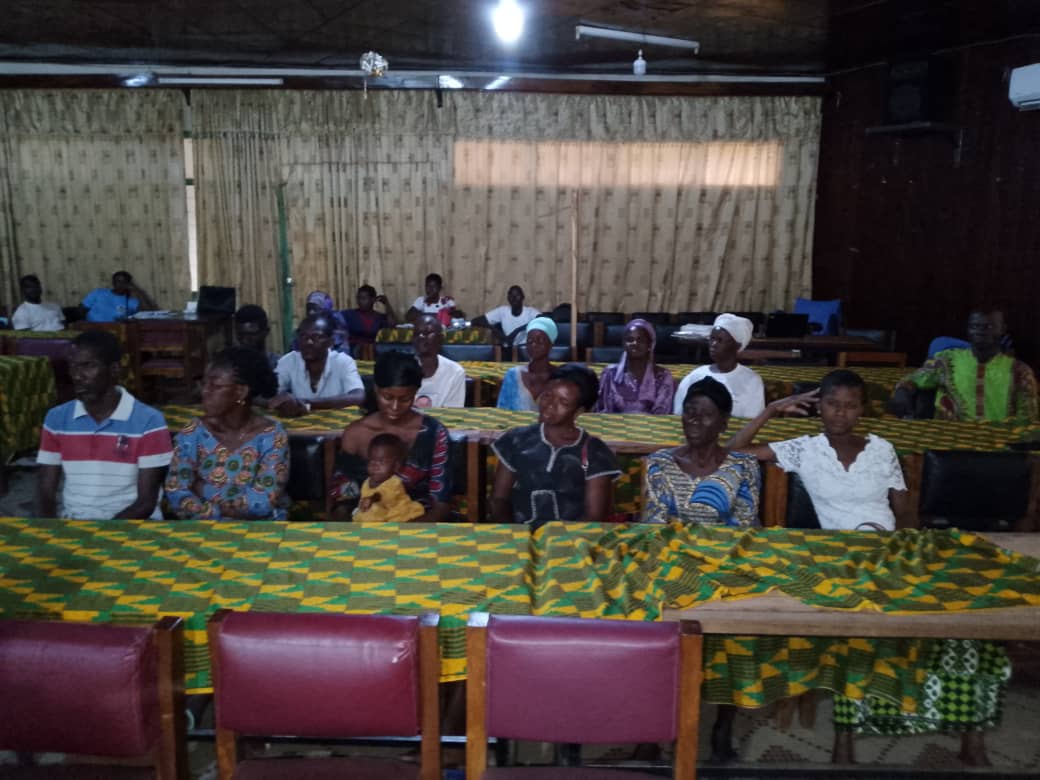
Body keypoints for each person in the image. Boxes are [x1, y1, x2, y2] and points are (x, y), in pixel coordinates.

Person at [730, 369, 1005, 766]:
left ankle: (971, 732)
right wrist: (771, 410)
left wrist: (914, 554)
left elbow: (903, 512)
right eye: (832, 404)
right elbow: (733, 454)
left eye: (850, 405)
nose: (840, 413)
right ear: (819, 407)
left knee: (966, 617)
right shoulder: (803, 449)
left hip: (891, 551)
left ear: (862, 409)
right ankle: (845, 737)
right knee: (857, 634)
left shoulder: (881, 448)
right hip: (840, 561)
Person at [36, 330, 173, 519]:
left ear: (114, 369)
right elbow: (45, 491)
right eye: (73, 367)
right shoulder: (57, 418)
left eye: (88, 366)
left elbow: (145, 503)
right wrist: (50, 528)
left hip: (133, 524)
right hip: (75, 521)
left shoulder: (149, 421)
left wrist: (101, 532)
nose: (77, 376)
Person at [164, 347, 289, 520]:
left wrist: (202, 489)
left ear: (240, 392)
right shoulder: (193, 432)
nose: (205, 391)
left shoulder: (271, 435)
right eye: (204, 384)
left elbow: (262, 503)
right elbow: (176, 492)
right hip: (202, 529)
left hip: (260, 530)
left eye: (215, 386)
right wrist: (219, 513)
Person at [491, 364, 621, 529]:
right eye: (547, 395)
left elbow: (594, 516)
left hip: (572, 537)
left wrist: (559, 540)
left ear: (579, 411)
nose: (551, 405)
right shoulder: (516, 439)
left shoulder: (594, 452)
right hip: (519, 534)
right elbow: (499, 499)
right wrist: (515, 534)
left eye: (563, 402)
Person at [330, 350, 454, 521]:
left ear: (416, 393)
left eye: (405, 399)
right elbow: (342, 496)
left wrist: (410, 532)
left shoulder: (433, 433)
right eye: (387, 397)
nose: (395, 407)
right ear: (376, 389)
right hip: (366, 524)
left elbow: (441, 502)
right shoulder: (356, 434)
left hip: (421, 522)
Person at [643, 378, 760, 526]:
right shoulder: (660, 462)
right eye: (689, 411)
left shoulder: (743, 466)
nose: (694, 420)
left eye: (706, 414)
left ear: (723, 424)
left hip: (726, 540)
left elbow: (743, 525)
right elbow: (654, 523)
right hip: (672, 540)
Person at [891, 309, 1037, 424]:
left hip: (1000, 444)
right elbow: (913, 379)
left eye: (989, 326)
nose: (980, 331)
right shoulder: (946, 360)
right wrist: (902, 391)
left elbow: (1028, 422)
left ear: (1003, 329)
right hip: (949, 440)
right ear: (968, 329)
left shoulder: (1020, 371)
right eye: (975, 326)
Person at [270, 315, 365, 416]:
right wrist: (282, 402)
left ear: (330, 342)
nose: (308, 342)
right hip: (297, 425)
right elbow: (265, 395)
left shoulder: (343, 362)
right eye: (303, 336)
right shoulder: (289, 361)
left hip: (337, 423)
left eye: (317, 337)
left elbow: (358, 397)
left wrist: (306, 403)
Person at [673, 313, 765, 418]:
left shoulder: (752, 380)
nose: (713, 344)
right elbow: (679, 414)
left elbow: (753, 419)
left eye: (720, 340)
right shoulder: (696, 375)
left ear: (737, 346)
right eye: (712, 339)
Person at [594, 318, 675, 415]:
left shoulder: (663, 376)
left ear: (650, 345)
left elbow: (662, 414)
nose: (635, 343)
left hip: (652, 425)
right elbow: (602, 411)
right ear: (624, 344)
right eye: (630, 339)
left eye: (641, 340)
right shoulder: (610, 374)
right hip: (613, 424)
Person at [353, 433, 425, 523]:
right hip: (378, 512)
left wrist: (371, 499)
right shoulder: (367, 482)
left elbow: (381, 495)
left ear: (396, 466)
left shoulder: (394, 482)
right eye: (371, 460)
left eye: (381, 462)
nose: (374, 465)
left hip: (395, 514)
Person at [496, 317, 558, 412]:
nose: (534, 345)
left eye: (540, 341)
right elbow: (502, 411)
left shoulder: (561, 377)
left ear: (551, 345)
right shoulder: (513, 375)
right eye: (530, 341)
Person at [413, 314, 466, 408]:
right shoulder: (399, 368)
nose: (421, 337)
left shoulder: (455, 372)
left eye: (427, 333)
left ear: (440, 338)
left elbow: (453, 412)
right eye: (417, 333)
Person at [472, 285, 540, 346]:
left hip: (526, 349)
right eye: (511, 296)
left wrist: (518, 330)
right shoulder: (502, 311)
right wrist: (494, 329)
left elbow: (544, 320)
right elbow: (476, 321)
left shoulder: (530, 312)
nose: (514, 298)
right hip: (507, 349)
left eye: (517, 295)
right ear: (508, 298)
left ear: (523, 297)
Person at [81, 270, 157, 322]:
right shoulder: (98, 293)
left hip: (116, 330)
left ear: (128, 284)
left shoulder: (131, 301)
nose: (120, 284)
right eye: (118, 281)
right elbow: (81, 310)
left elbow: (148, 314)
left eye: (124, 282)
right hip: (92, 328)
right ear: (113, 282)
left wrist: (137, 291)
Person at [341, 284, 397, 350]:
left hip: (372, 351)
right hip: (351, 351)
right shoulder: (349, 314)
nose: (360, 301)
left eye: (363, 298)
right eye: (358, 298)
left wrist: (386, 303)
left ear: (372, 300)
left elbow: (392, 324)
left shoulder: (379, 317)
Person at [234, 304, 280, 371]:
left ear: (265, 332)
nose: (244, 341)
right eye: (240, 335)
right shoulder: (232, 366)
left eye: (251, 335)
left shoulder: (279, 365)